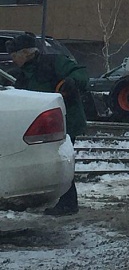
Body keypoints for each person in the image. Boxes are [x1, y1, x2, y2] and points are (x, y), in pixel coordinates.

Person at [6, 33, 88, 216]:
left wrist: (71, 82)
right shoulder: (22, 74)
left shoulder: (54, 62)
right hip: (43, 125)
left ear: (26, 53)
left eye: (14, 56)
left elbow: (80, 73)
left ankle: (68, 203)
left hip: (67, 122)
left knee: (60, 159)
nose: (13, 60)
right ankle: (46, 197)